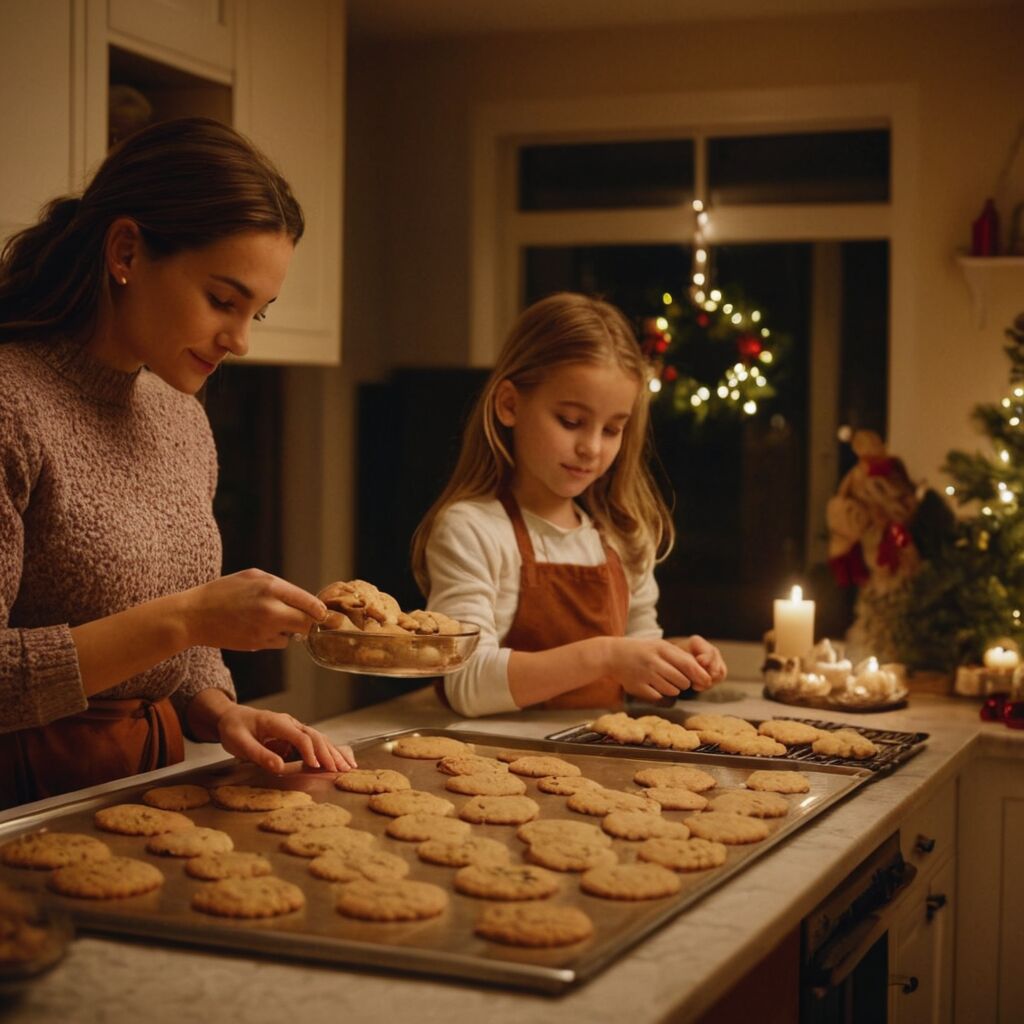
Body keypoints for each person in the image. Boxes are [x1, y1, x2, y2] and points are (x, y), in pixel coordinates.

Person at [0, 117, 356, 810]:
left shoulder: (180, 415)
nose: (242, 340)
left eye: (260, 311)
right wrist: (189, 618)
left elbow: (173, 641)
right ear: (126, 250)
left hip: (144, 781)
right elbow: (176, 619)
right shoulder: (12, 402)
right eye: (224, 300)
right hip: (22, 803)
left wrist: (222, 712)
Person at [411, 292, 727, 717]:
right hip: (495, 764)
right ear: (509, 405)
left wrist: (671, 661)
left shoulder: (622, 536)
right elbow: (465, 681)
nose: (592, 448)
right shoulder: (471, 529)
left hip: (598, 764)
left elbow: (634, 670)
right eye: (571, 422)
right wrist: (607, 656)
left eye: (613, 429)